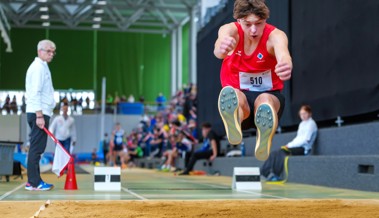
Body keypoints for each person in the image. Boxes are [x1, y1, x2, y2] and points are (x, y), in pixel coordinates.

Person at [214, 0, 292, 161]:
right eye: (248, 24)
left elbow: (283, 53)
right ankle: (235, 118)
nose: (254, 30)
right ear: (239, 21)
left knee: (264, 101)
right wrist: (222, 47)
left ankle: (264, 134)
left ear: (266, 20)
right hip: (241, 98)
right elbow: (219, 48)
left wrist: (285, 63)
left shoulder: (275, 36)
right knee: (235, 95)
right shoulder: (229, 30)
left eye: (259, 23)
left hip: (269, 97)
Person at [25, 39, 57, 191]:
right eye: (48, 51)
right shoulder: (38, 67)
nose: (51, 54)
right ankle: (34, 182)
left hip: (41, 112)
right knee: (36, 149)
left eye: (53, 52)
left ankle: (33, 181)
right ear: (40, 51)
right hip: (39, 113)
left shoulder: (42, 67)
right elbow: (35, 92)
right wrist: (39, 115)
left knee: (36, 148)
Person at [261, 105, 318, 181]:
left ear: (309, 113)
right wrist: (289, 144)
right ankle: (264, 172)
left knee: (281, 152)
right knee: (274, 153)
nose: (303, 116)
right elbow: (298, 138)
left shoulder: (311, 124)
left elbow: (305, 140)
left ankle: (275, 174)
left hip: (304, 149)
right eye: (301, 114)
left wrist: (290, 146)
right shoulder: (302, 124)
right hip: (296, 147)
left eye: (305, 113)